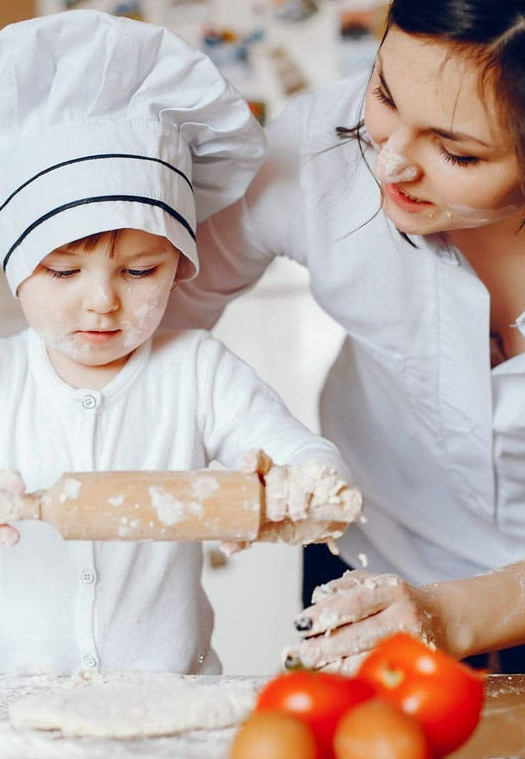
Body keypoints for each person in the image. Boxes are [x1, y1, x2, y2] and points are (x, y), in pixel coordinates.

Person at [0, 10, 359, 697]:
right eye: (62, 272)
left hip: (164, 700)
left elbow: (317, 464)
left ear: (180, 265)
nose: (102, 303)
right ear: (14, 267)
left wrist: (287, 488)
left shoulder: (199, 370)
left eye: (140, 271)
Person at [161, 0, 525, 673]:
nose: (387, 163)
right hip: (370, 566)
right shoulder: (321, 150)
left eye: (455, 152)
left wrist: (456, 613)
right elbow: (162, 310)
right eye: (383, 94)